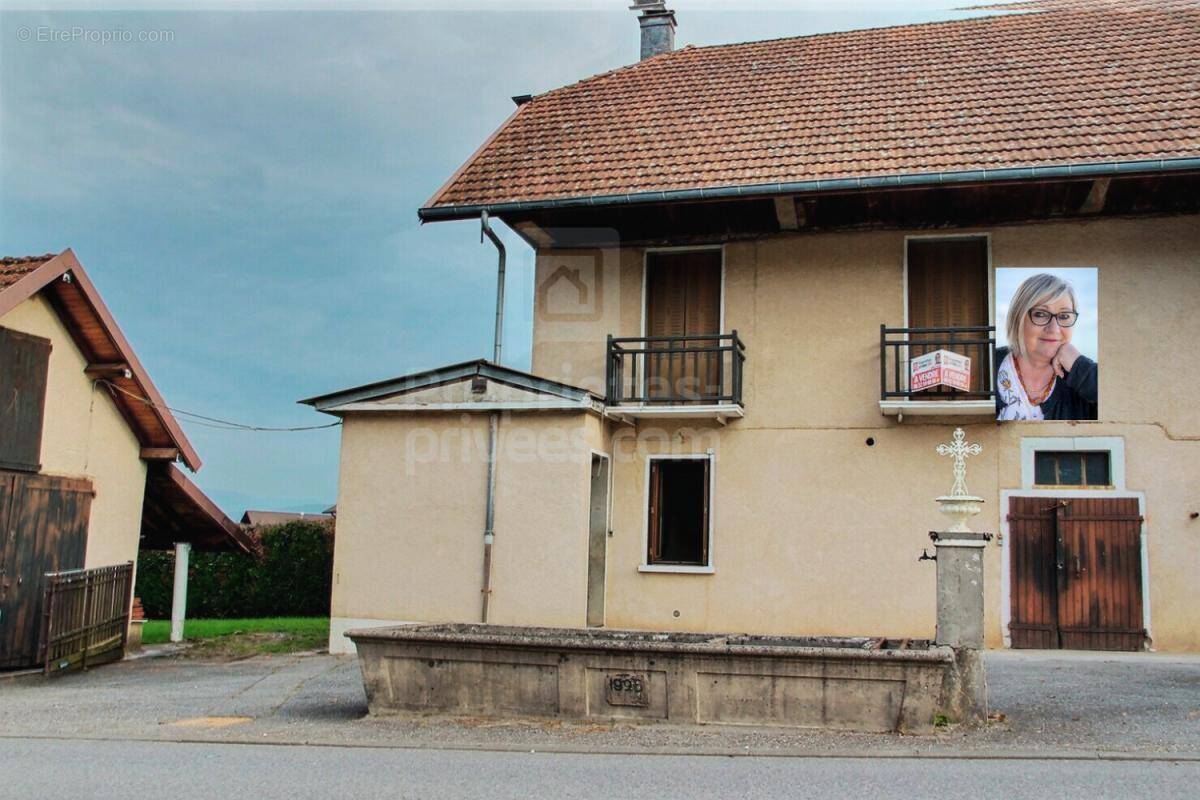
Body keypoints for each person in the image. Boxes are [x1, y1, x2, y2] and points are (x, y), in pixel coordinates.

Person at [995, 273, 1097, 420]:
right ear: (1018, 318)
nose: (1054, 329)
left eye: (1064, 316)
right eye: (1041, 314)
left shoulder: (1084, 380)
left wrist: (1079, 366)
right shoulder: (986, 365)